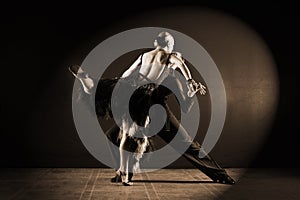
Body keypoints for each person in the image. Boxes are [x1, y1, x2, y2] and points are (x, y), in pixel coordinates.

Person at [69, 31, 235, 185]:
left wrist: (118, 84)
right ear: (170, 48)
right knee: (117, 136)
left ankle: (90, 83)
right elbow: (180, 72)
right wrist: (190, 82)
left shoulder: (149, 60)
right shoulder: (170, 62)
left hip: (143, 103)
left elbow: (127, 73)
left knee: (116, 133)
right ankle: (124, 172)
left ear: (157, 43)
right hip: (147, 106)